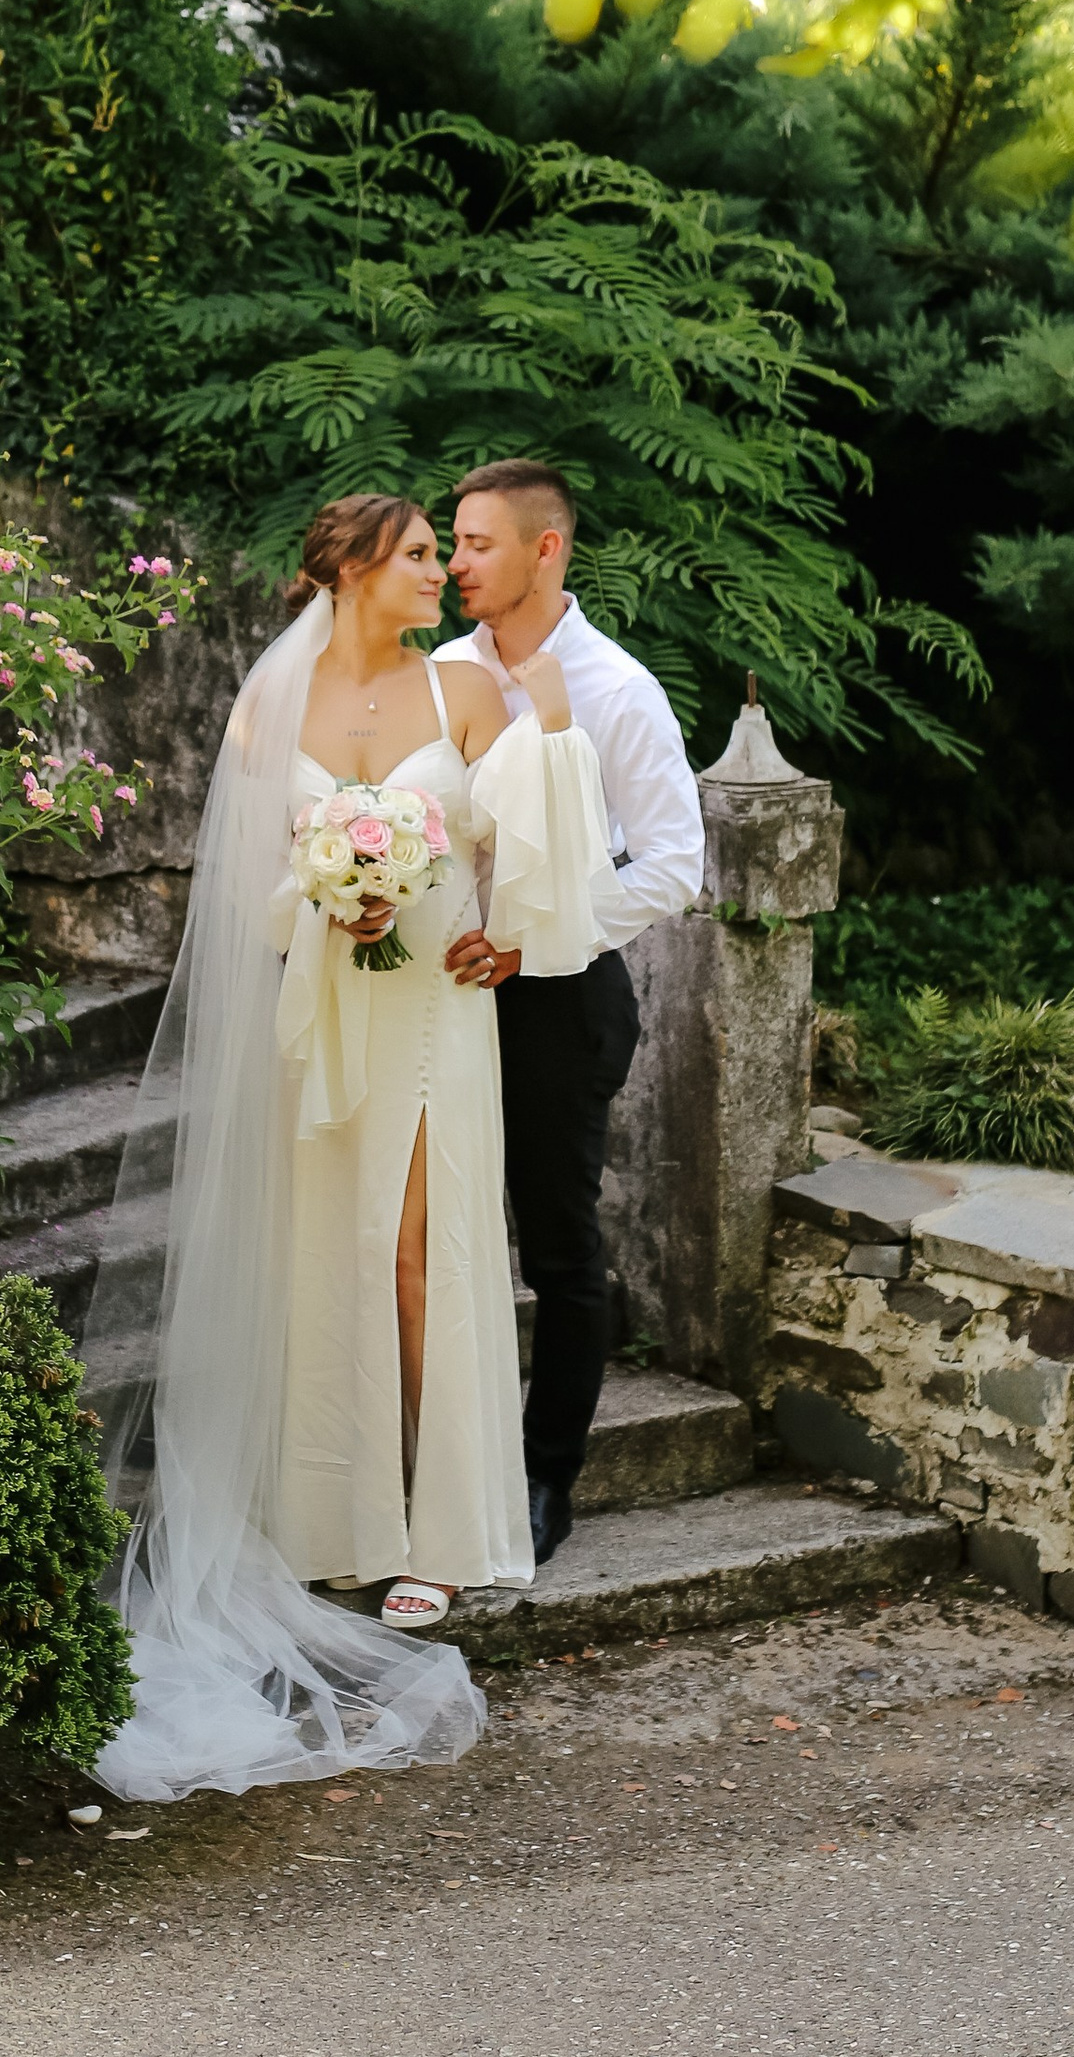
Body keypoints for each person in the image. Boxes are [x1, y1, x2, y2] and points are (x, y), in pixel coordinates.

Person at [84, 491, 616, 1802]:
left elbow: (540, 851)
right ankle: (334, 1517)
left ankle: (434, 1530)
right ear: (356, 568)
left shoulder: (465, 694)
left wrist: (513, 903)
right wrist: (331, 892)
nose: (442, 572)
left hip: (435, 1014)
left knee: (419, 1260)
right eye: (422, 555)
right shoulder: (268, 707)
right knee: (326, 1258)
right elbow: (247, 892)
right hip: (322, 1017)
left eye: (446, 552)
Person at [436, 457, 705, 1565]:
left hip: (559, 1002)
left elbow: (674, 865)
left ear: (545, 550)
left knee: (557, 1248)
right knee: (436, 1240)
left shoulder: (617, 691)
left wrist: (535, 937)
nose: (456, 563)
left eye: (478, 544)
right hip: (438, 997)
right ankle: (438, 1468)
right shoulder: (440, 672)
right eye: (453, 543)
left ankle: (548, 1477)